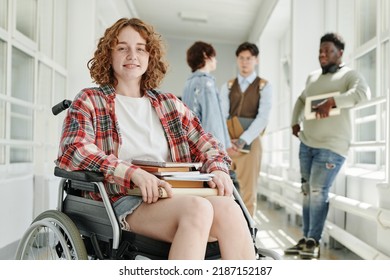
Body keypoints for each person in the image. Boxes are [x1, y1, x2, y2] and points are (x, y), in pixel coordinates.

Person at [55, 18, 255, 260]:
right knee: (198, 209)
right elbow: (73, 150)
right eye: (122, 48)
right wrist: (132, 173)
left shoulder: (168, 104)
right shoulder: (90, 100)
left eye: (140, 48)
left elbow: (209, 144)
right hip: (121, 200)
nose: (132, 55)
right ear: (109, 54)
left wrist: (219, 169)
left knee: (230, 210)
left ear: (150, 57)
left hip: (175, 196)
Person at [285, 32, 370, 259]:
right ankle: (305, 240)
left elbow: (363, 93)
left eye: (328, 50)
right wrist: (295, 121)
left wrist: (333, 101)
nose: (322, 54)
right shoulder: (313, 77)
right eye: (320, 50)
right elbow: (302, 100)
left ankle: (314, 241)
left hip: (332, 147)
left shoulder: (349, 75)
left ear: (340, 53)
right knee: (306, 191)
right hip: (307, 143)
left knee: (317, 191)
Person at [220, 42, 272, 217]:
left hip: (250, 144)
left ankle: (249, 236)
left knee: (249, 193)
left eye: (249, 58)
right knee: (222, 189)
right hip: (227, 143)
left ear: (256, 60)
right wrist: (227, 141)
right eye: (241, 58)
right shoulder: (227, 85)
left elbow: (263, 118)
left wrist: (243, 140)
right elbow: (221, 115)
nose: (244, 62)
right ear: (237, 60)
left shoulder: (264, 86)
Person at [182, 41, 232, 153]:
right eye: (214, 56)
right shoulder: (206, 83)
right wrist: (219, 148)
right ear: (205, 55)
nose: (216, 60)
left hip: (193, 145)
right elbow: (212, 119)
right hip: (209, 148)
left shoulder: (189, 83)